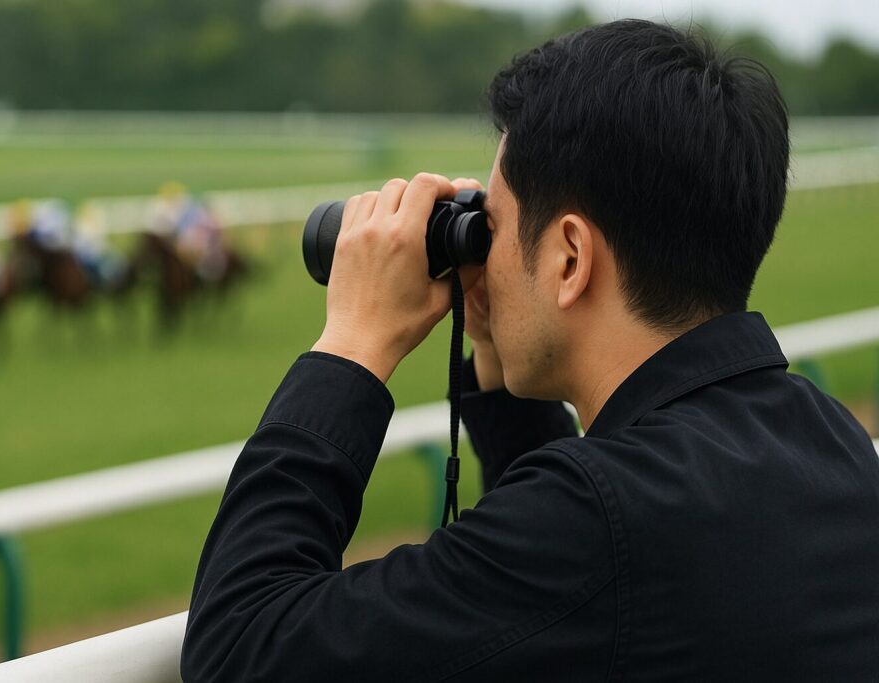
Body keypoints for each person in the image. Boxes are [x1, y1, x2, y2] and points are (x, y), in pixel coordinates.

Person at [182, 20, 879, 682]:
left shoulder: (600, 526)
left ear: (570, 257)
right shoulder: (830, 439)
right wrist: (493, 338)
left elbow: (242, 644)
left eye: (496, 227)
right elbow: (565, 606)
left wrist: (352, 344)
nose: (488, 256)